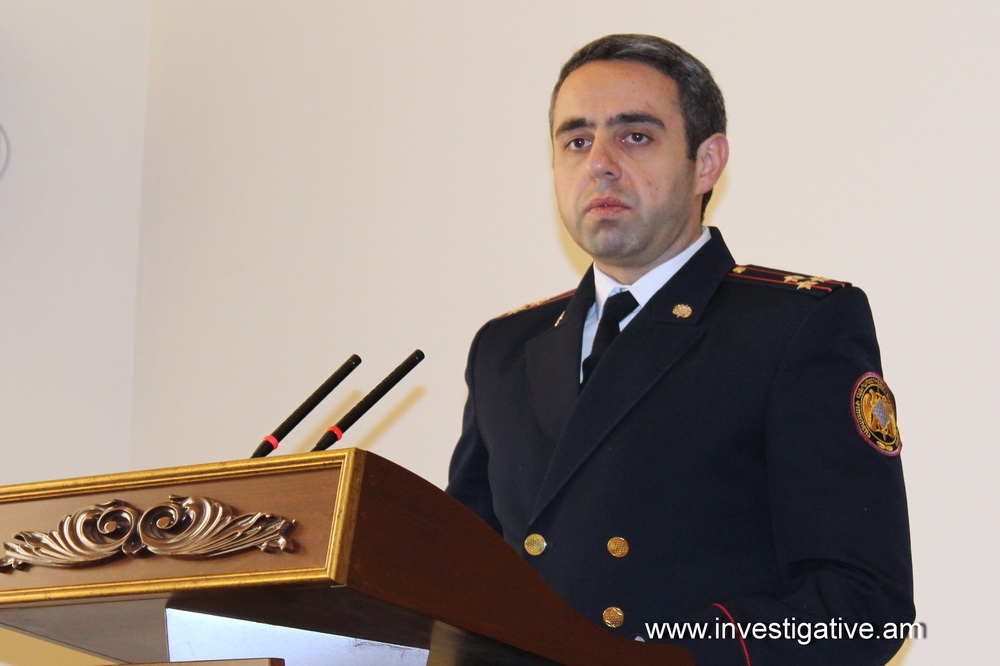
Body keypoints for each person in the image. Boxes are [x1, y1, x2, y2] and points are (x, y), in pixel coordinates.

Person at [446, 34, 914, 665]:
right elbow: (463, 580)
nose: (600, 163)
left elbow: (866, 609)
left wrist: (669, 656)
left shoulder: (795, 327)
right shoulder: (504, 349)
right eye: (576, 141)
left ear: (707, 162)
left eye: (635, 136)